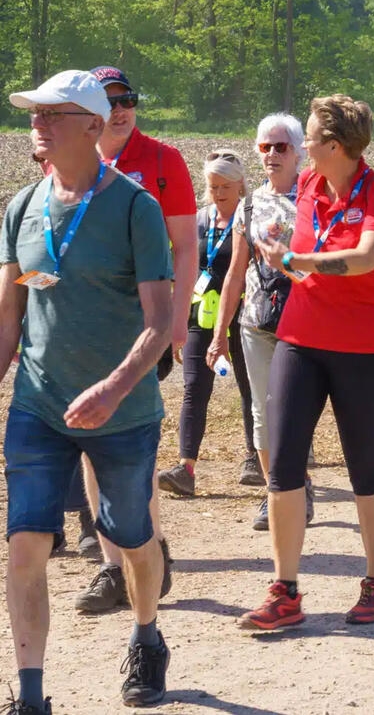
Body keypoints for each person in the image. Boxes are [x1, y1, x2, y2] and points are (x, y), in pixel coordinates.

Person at [3, 70, 175, 709]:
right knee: (27, 544)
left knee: (133, 540)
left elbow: (161, 322)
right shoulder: (21, 208)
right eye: (35, 112)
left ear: (93, 127)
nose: (38, 122)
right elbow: (7, 319)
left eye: (54, 112)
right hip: (38, 406)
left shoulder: (136, 207)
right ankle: (31, 694)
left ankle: (146, 634)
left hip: (124, 412)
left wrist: (113, 385)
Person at [239, 95, 374, 630]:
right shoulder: (309, 183)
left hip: (365, 350)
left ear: (334, 145)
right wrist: (277, 253)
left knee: (366, 473)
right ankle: (285, 591)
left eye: (309, 138)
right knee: (283, 465)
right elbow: (301, 248)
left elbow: (367, 257)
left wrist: (298, 259)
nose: (303, 146)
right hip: (301, 339)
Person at [74, 66, 195, 615]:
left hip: (143, 325)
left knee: (129, 446)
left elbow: (186, 246)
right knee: (90, 443)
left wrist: (178, 318)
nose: (120, 109)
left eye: (128, 100)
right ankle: (111, 565)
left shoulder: (164, 161)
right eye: (108, 101)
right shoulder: (74, 162)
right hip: (84, 325)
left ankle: (144, 543)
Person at [206, 114, 307, 532]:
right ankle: (278, 492)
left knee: (296, 413)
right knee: (263, 411)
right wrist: (218, 334)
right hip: (257, 321)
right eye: (264, 147)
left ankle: (296, 484)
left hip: (306, 324)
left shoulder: (314, 200)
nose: (271, 155)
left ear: (299, 152)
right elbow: (234, 272)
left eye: (280, 147)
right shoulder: (249, 205)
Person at [157, 151, 253, 499]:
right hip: (202, 317)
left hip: (244, 318)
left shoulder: (251, 218)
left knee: (250, 389)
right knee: (194, 388)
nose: (218, 192)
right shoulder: (199, 220)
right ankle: (186, 468)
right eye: (212, 186)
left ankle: (255, 457)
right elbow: (181, 267)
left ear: (240, 184)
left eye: (225, 185)